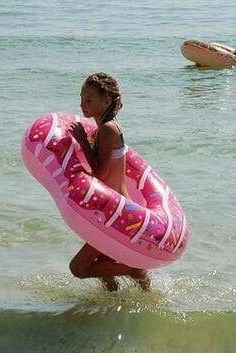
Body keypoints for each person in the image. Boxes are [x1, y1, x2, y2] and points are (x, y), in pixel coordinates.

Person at [68, 73, 151, 292]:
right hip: (114, 208)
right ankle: (114, 301)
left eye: (89, 100)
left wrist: (83, 142)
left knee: (79, 268)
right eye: (81, 98)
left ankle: (134, 270)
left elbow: (101, 174)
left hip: (117, 213)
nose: (82, 104)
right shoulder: (106, 127)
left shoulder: (107, 129)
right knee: (102, 262)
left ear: (106, 101)